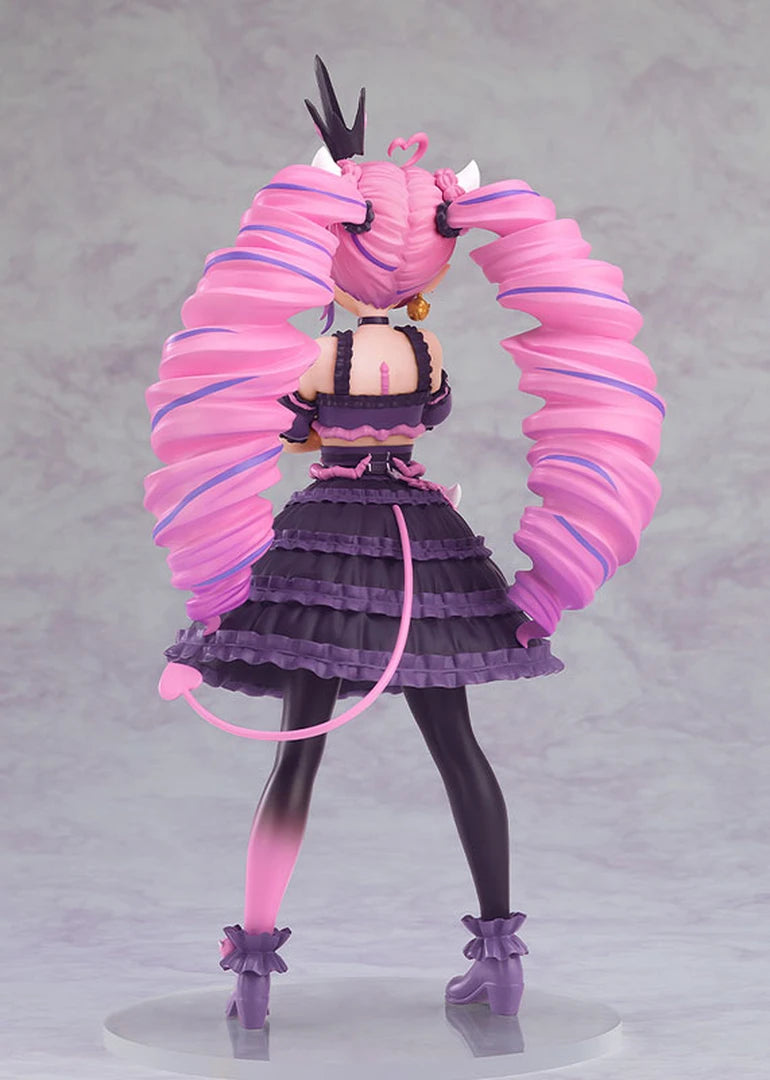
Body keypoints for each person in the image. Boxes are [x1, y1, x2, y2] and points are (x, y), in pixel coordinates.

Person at [145, 58, 664, 1030]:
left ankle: (253, 970)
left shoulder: (318, 351)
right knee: (458, 749)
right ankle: (500, 958)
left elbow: (288, 429)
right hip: (426, 543)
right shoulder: (425, 349)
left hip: (328, 547)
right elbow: (426, 415)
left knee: (297, 756)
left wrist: (310, 418)